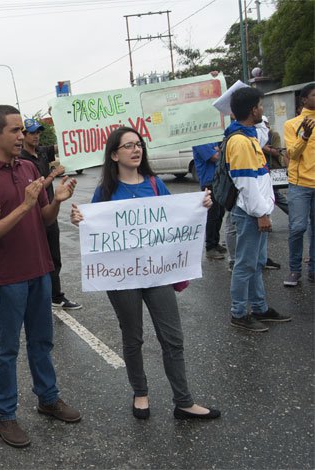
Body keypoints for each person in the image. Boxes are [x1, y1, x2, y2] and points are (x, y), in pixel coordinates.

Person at [70, 126, 221, 421]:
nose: (136, 150)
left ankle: (184, 401)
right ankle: (140, 393)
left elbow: (175, 219)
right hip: (123, 277)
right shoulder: (106, 191)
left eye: (138, 145)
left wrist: (199, 206)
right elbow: (96, 229)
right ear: (114, 155)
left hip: (157, 273)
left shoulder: (154, 184)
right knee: (133, 337)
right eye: (128, 146)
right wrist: (81, 220)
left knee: (172, 337)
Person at [0, 105, 80, 448]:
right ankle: (5, 416)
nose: (22, 135)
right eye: (14, 130)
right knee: (7, 350)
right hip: (7, 278)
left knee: (42, 341)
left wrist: (57, 201)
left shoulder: (28, 166)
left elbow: (45, 218)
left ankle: (48, 398)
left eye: (22, 130)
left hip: (40, 271)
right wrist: (24, 206)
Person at [225, 87, 291, 332]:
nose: (263, 110)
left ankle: (260, 308)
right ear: (252, 110)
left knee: (256, 263)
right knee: (245, 265)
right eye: (260, 106)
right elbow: (246, 182)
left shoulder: (248, 135)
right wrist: (262, 214)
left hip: (258, 210)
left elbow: (262, 134)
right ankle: (239, 313)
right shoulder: (240, 141)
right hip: (251, 213)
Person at [20, 118, 82, 310]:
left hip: (49, 210)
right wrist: (54, 174)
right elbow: (36, 188)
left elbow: (63, 144)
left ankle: (56, 295)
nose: (36, 136)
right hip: (32, 214)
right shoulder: (22, 159)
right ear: (23, 135)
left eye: (38, 132)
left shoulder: (42, 152)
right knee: (35, 258)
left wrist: (58, 116)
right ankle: (38, 297)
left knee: (54, 256)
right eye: (32, 133)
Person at [283, 82, 315, 286]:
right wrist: (304, 136)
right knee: (298, 228)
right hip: (299, 185)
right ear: (304, 99)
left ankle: (313, 269)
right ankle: (295, 270)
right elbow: (291, 154)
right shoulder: (292, 124)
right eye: (314, 95)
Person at [192, 142, 226, 260]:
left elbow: (218, 152)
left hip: (218, 180)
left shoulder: (212, 140)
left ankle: (215, 243)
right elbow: (214, 157)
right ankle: (210, 247)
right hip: (208, 182)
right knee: (212, 215)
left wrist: (218, 149)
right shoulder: (200, 141)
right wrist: (220, 150)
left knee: (220, 213)